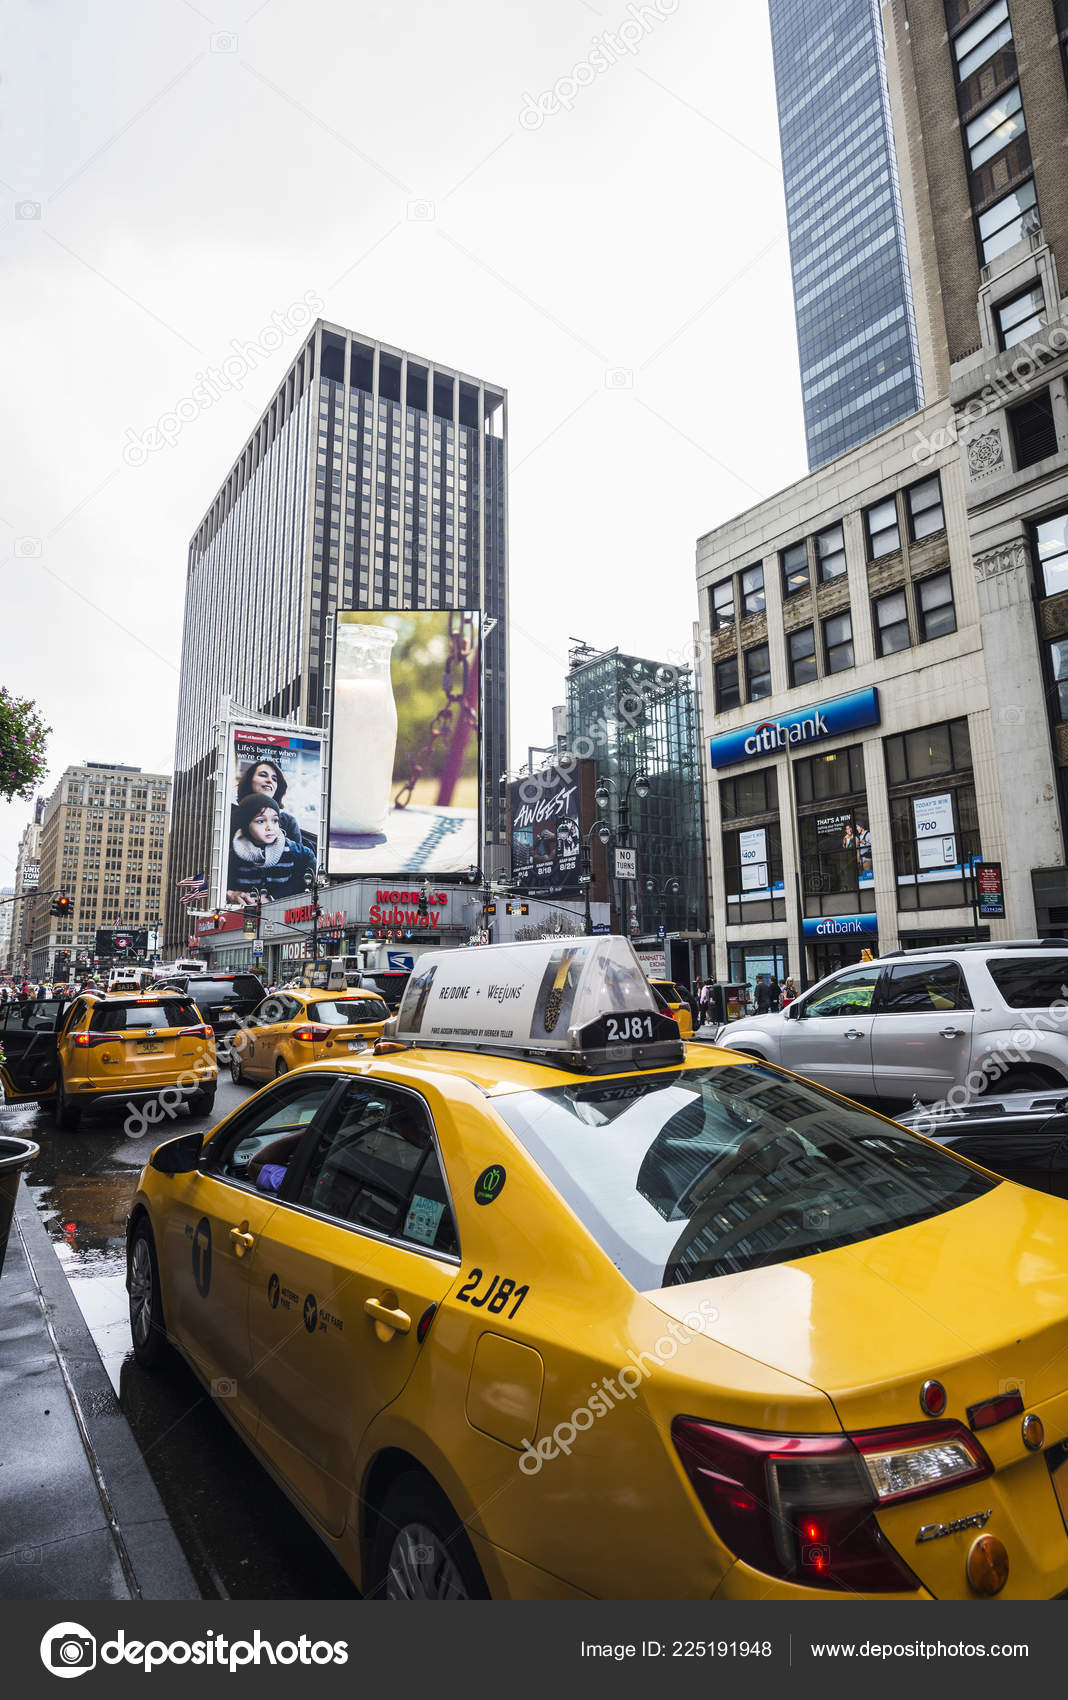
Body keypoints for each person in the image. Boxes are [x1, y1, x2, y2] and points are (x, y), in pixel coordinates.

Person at [228, 794, 316, 902]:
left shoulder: (290, 848)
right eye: (261, 821)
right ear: (245, 825)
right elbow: (227, 882)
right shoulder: (237, 852)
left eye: (274, 820)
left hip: (282, 904)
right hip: (248, 906)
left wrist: (273, 898)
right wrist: (232, 893)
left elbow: (309, 857)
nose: (270, 827)